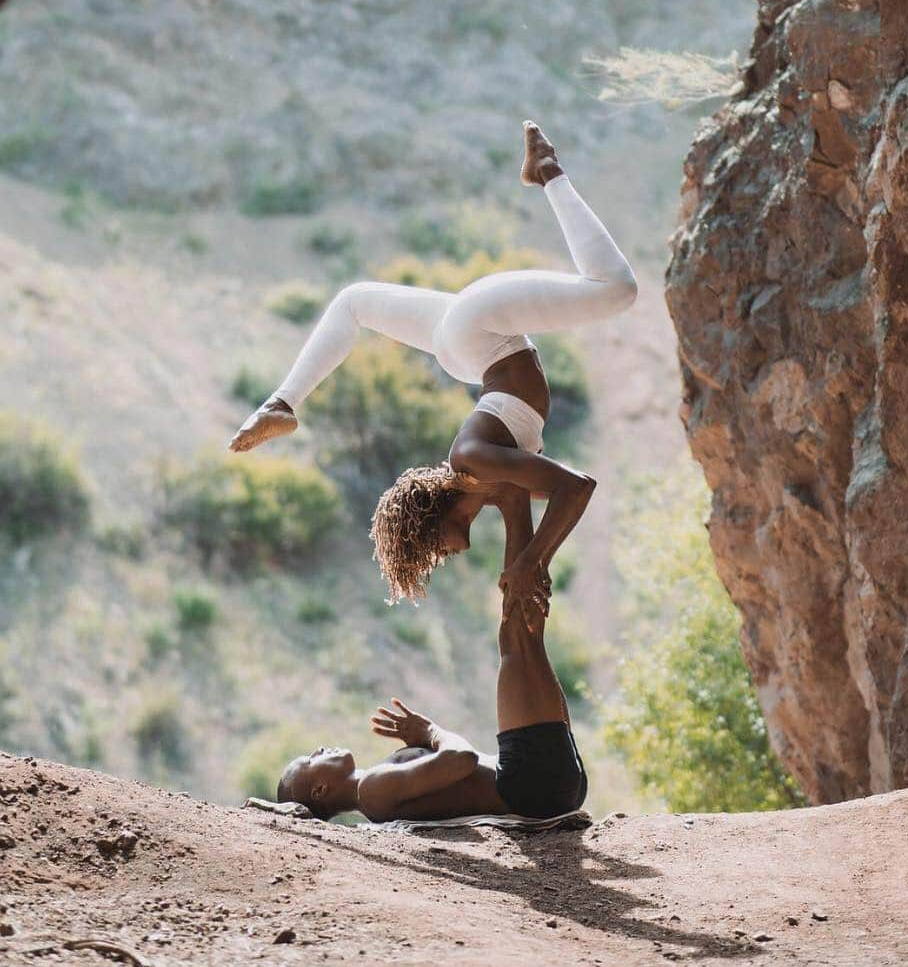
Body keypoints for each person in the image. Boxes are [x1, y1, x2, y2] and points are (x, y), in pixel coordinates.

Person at [228, 121, 637, 620]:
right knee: (354, 302)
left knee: (618, 290)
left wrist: (532, 563)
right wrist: (523, 588)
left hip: (480, 331)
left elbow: (577, 487)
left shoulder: (472, 459)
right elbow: (528, 533)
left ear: (429, 523)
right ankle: (282, 402)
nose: (442, 557)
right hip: (466, 350)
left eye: (430, 550)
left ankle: (548, 170)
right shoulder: (489, 485)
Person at [274, 487, 586, 823]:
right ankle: (513, 499)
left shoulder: (375, 788)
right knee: (516, 639)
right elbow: (462, 758)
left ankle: (515, 500)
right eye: (310, 759)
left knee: (522, 635)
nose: (319, 749)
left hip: (541, 784)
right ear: (320, 791)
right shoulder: (372, 790)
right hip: (531, 785)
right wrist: (431, 732)